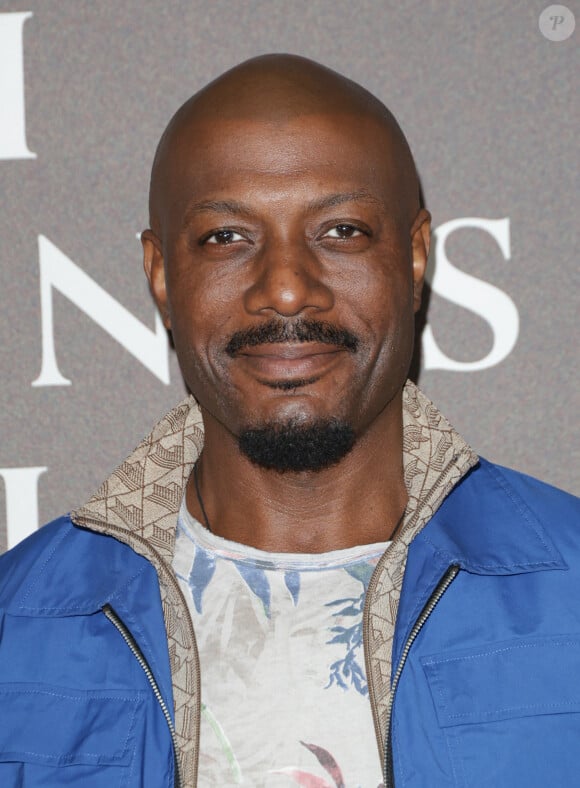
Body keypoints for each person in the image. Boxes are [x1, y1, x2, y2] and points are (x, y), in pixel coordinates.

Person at [0, 54, 578, 788]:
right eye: (226, 238)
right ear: (160, 276)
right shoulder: (16, 637)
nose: (285, 288)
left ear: (414, 255)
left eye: (340, 231)